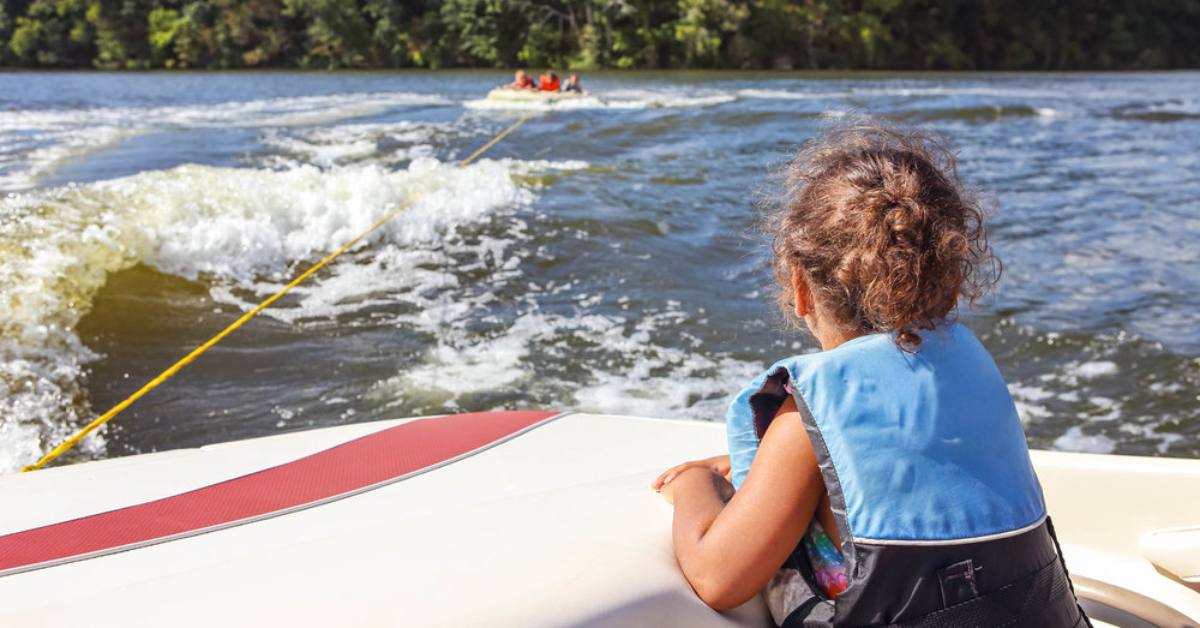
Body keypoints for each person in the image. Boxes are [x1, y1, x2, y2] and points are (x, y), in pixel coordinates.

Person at [652, 124, 1088, 627]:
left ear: (800, 287)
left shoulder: (803, 422)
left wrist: (693, 484)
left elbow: (717, 578)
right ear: (948, 285)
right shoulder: (968, 369)